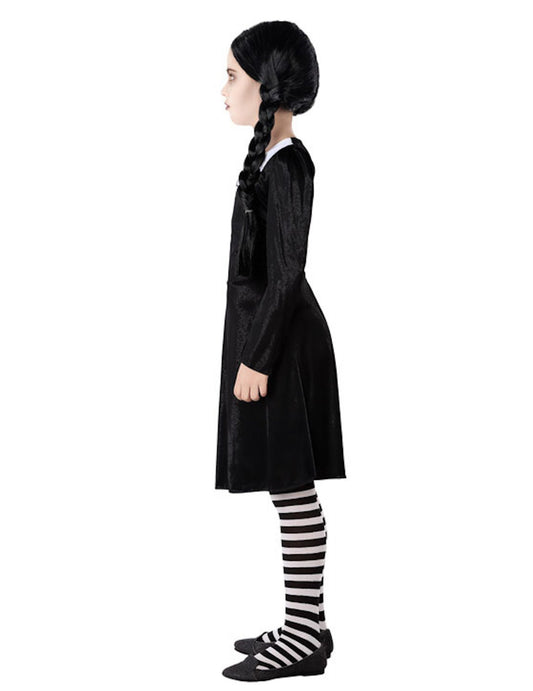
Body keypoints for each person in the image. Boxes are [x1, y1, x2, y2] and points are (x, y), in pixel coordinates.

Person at [216, 20, 347, 681]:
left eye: (232, 76)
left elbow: (287, 271)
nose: (223, 90)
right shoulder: (270, 162)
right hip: (270, 340)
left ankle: (302, 635)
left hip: (283, 349)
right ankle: (308, 623)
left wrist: (258, 357)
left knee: (292, 488)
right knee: (285, 488)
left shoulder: (289, 165)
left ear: (266, 84)